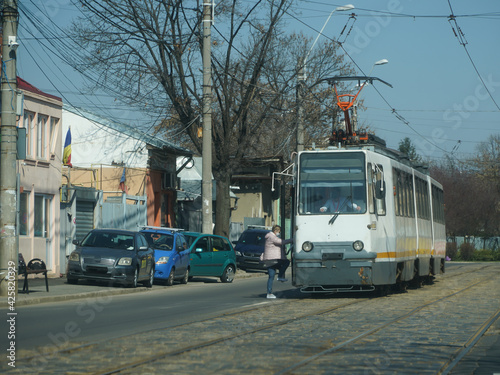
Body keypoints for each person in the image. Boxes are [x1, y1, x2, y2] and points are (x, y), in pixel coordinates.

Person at [260, 225, 292, 299]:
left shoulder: (268, 237)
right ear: (275, 231)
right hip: (273, 259)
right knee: (286, 262)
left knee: (271, 276)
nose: (279, 233)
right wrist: (292, 240)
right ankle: (280, 276)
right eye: (279, 232)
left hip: (268, 260)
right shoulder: (272, 237)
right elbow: (281, 242)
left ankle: (269, 293)